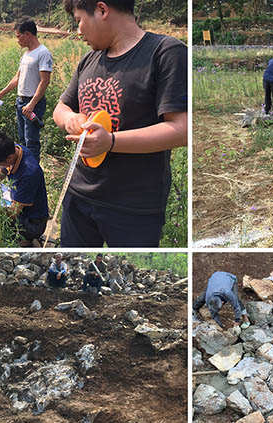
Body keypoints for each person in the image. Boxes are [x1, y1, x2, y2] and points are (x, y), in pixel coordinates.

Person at [53, 0, 188, 248]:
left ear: (102, 10)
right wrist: (71, 120)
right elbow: (61, 108)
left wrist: (111, 142)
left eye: (79, 21)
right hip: (79, 194)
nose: (78, 31)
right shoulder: (89, 60)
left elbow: (181, 130)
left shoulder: (165, 52)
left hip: (134, 206)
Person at [0, 19, 53, 160]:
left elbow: (45, 81)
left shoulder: (43, 53)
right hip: (21, 102)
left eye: (18, 36)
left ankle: (33, 172)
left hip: (32, 104)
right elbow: (17, 78)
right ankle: (25, 167)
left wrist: (32, 104)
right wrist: (1, 94)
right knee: (22, 139)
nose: (17, 40)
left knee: (31, 141)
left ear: (27, 34)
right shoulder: (26, 55)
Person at [0, 132, 50, 246]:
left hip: (32, 222)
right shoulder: (13, 149)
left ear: (9, 158)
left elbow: (13, 213)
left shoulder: (29, 173)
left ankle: (25, 241)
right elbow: (3, 170)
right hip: (18, 205)